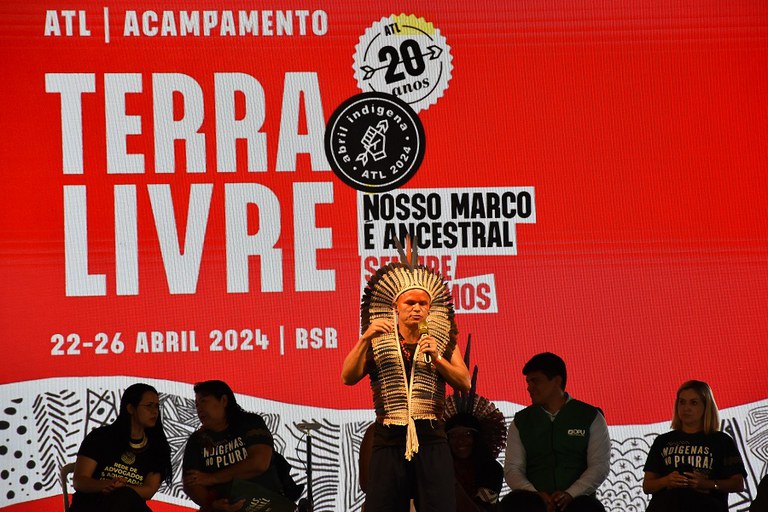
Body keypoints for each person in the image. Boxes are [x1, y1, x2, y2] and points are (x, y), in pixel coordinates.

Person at [342, 240, 471, 512]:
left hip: (432, 438)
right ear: (396, 306)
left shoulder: (441, 337)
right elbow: (348, 377)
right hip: (389, 439)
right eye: (410, 302)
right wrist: (364, 338)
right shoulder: (379, 340)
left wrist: (437, 358)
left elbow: (464, 382)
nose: (417, 308)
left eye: (423, 303)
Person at [501, 352, 610, 512]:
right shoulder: (521, 420)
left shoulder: (591, 416)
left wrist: (570, 494)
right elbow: (513, 468)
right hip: (534, 504)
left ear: (557, 381)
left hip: (578, 503)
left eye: (535, 381)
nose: (529, 388)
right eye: (528, 382)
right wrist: (536, 495)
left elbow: (599, 466)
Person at [182, 380, 300, 512]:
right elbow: (190, 484)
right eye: (197, 405)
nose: (199, 409)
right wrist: (213, 504)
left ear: (224, 400)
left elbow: (259, 463)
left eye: (204, 401)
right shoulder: (196, 440)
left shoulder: (250, 422)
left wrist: (212, 478)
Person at [643, 380, 746, 512]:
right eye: (682, 402)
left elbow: (738, 483)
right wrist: (667, 481)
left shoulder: (722, 441)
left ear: (706, 406)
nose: (686, 408)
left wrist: (707, 484)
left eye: (694, 403)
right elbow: (647, 486)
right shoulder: (663, 441)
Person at [70, 382, 173, 512]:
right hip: (92, 504)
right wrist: (106, 484)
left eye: (157, 406)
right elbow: (80, 481)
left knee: (125, 497)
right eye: (149, 406)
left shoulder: (158, 447)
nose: (155, 412)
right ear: (130, 408)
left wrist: (122, 487)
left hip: (128, 505)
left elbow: (149, 490)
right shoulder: (101, 437)